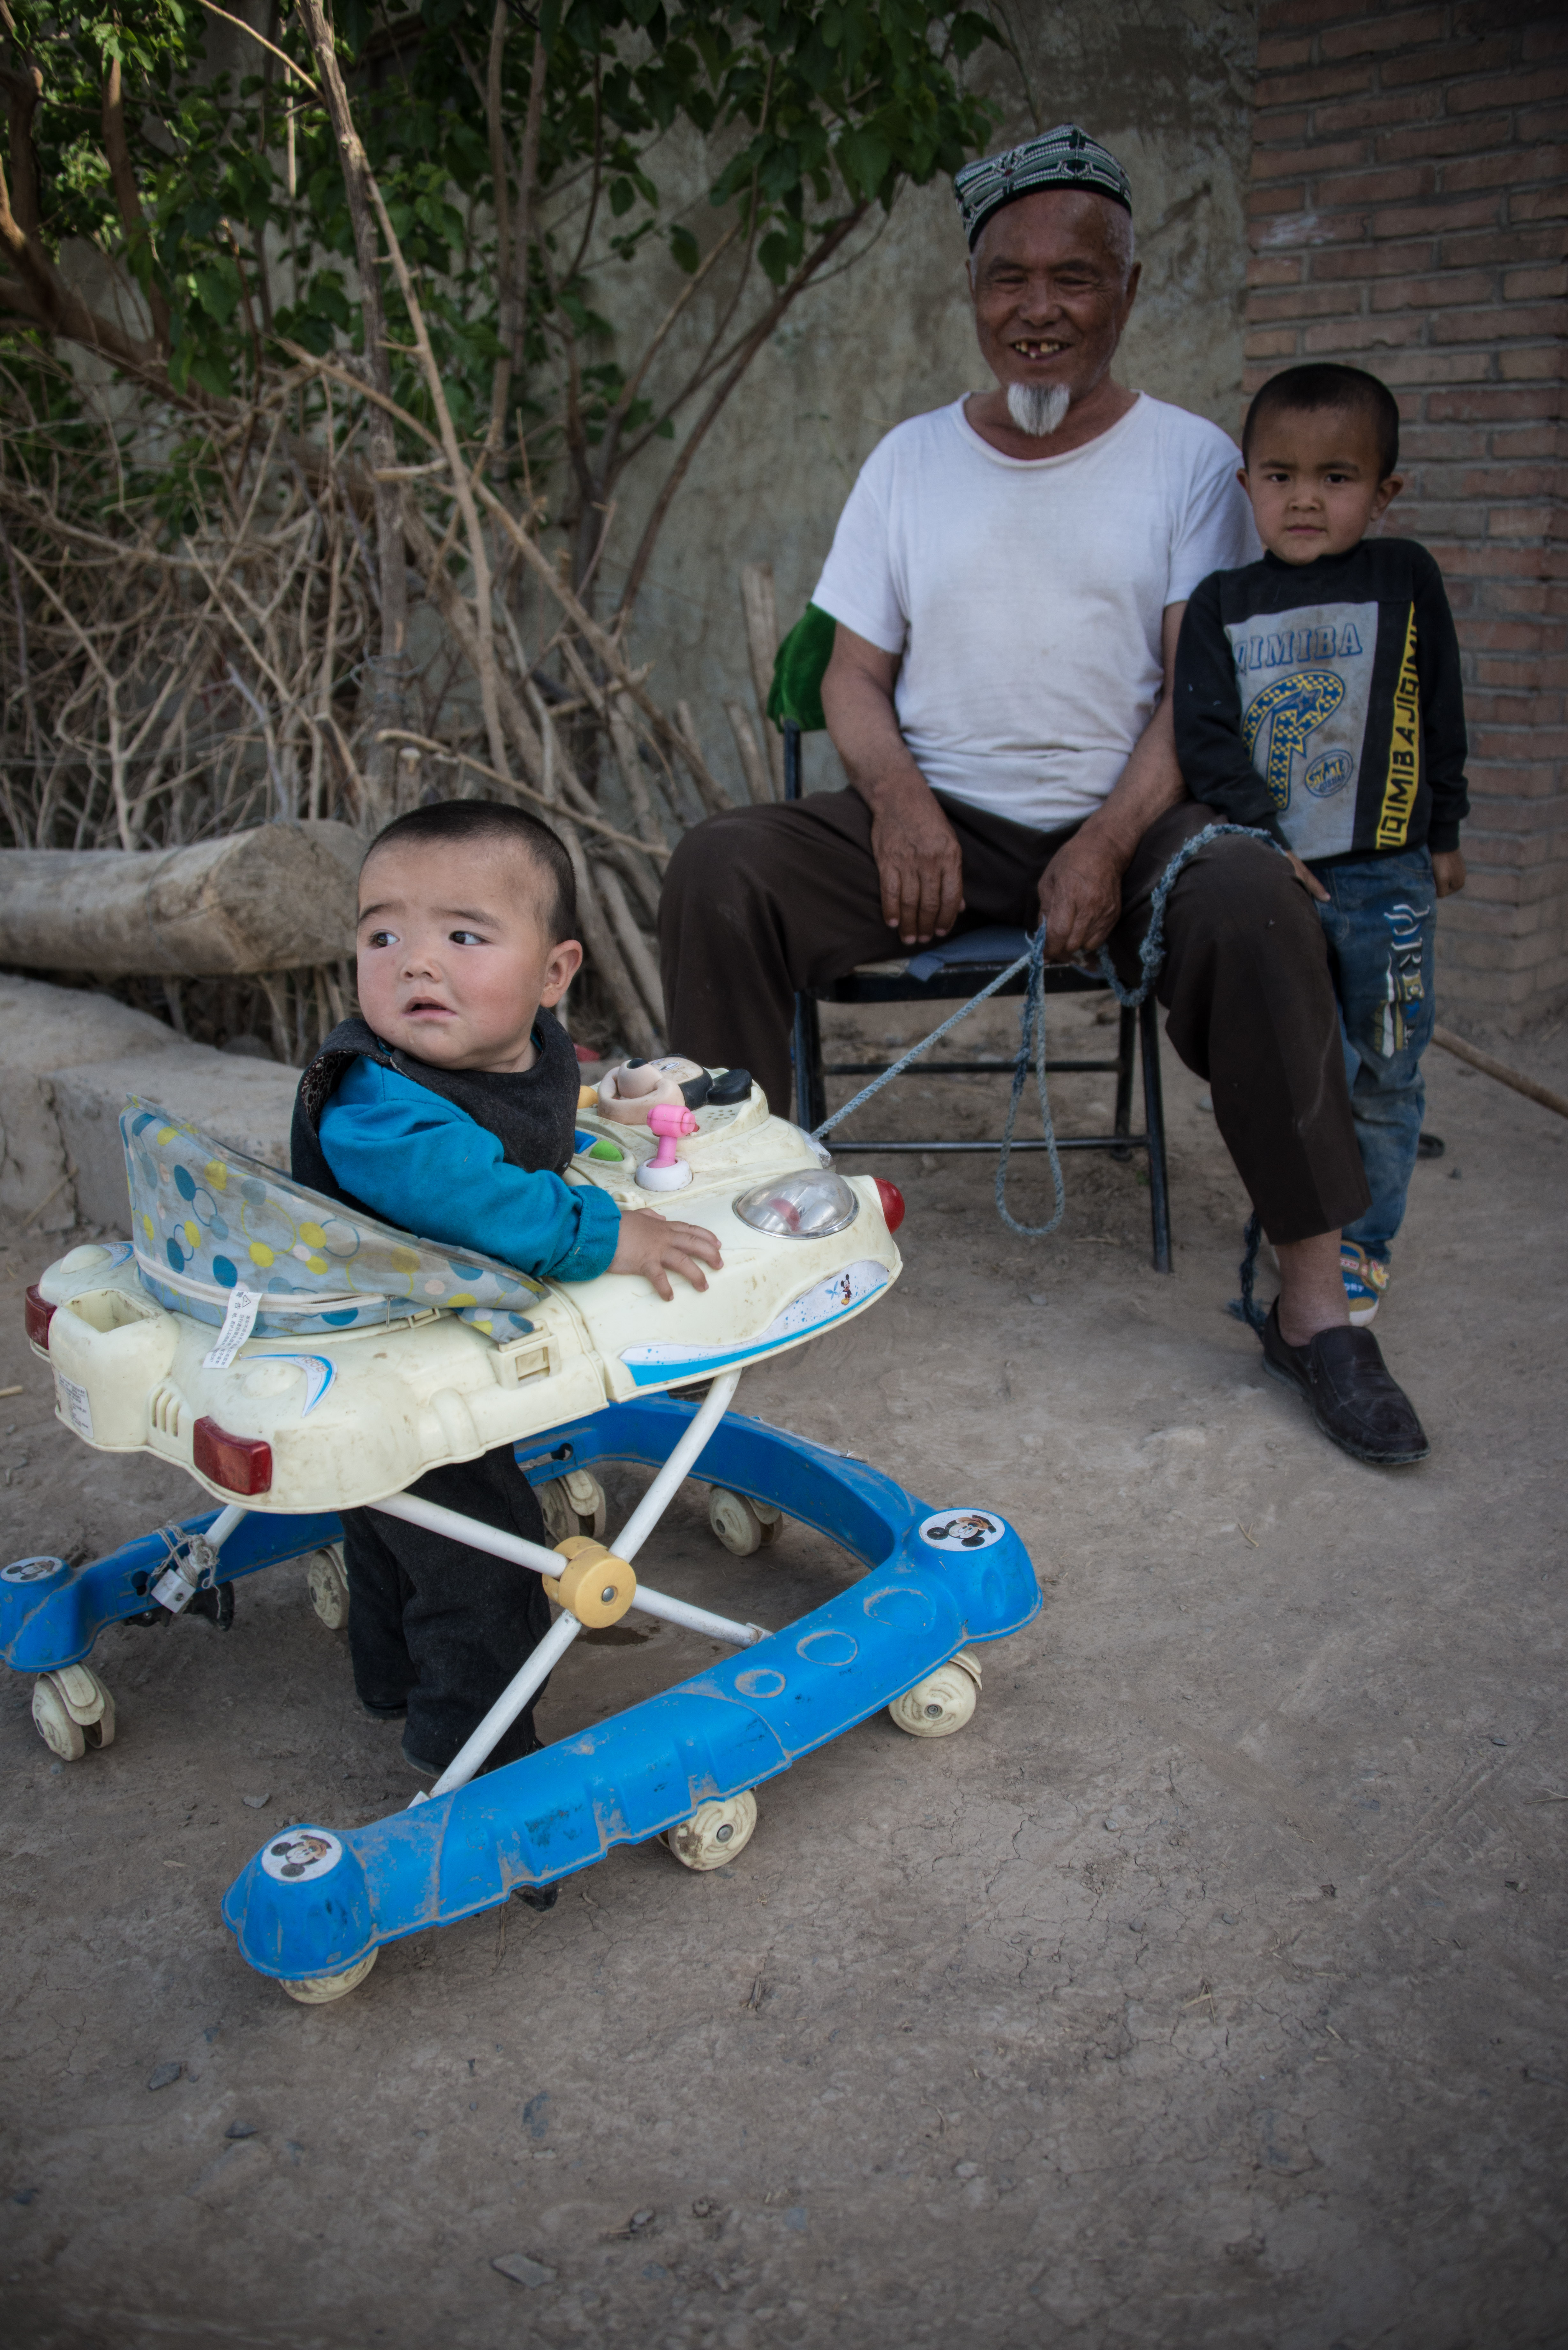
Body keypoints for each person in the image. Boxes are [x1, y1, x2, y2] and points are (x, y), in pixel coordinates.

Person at [660, 123, 1431, 1467]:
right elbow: (851, 677)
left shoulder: (1190, 460)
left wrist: (1112, 837)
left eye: (1072, 278)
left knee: (1256, 905)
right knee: (718, 867)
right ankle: (735, 1249)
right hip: (936, 826)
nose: (1038, 310)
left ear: (1127, 289)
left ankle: (1315, 1306)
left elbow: (1196, 688)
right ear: (972, 293)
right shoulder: (908, 462)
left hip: (1134, 825)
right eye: (1007, 279)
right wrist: (900, 801)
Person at [290, 800, 723, 1780]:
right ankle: (476, 1762)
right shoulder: (375, 1109)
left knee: (395, 1522)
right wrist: (611, 1234)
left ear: (552, 976)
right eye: (383, 936)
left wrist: (613, 1109)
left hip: (436, 1334)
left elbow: (530, 1120)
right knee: (486, 1553)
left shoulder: (521, 1045)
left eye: (463, 936)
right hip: (383, 1359)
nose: (416, 963)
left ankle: (394, 1682)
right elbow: (483, 1201)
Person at [1174, 362, 1468, 1327]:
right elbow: (1206, 738)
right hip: (1280, 881)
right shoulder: (1223, 603)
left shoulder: (1404, 579)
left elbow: (1441, 709)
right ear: (1247, 483)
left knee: (1386, 1065)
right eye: (1280, 475)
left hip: (1389, 878)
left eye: (1336, 478)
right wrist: (1262, 842)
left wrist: (1446, 830)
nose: (1305, 499)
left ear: (1383, 492)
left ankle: (1364, 1246)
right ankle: (1307, 1228)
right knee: (1306, 1068)